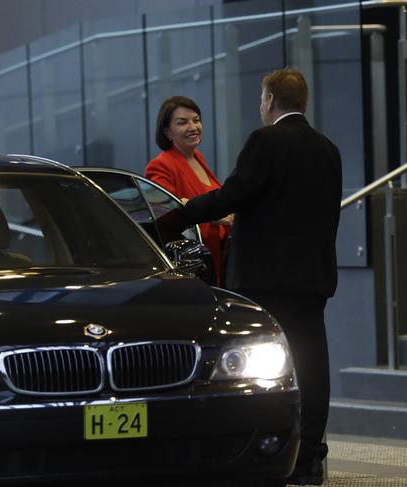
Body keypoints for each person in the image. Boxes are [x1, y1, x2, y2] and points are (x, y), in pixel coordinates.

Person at [164, 68, 342, 485]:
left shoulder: (265, 141)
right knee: (313, 366)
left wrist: (180, 215)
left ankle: (267, 452)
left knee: (261, 370)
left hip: (265, 279)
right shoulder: (327, 148)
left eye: (262, 99)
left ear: (270, 100)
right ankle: (311, 459)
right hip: (313, 277)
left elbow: (234, 196)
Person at [145, 96, 231, 286]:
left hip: (218, 256)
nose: (193, 127)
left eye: (196, 120)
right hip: (192, 264)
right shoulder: (160, 165)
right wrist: (212, 214)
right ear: (167, 131)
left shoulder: (198, 157)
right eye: (183, 122)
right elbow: (165, 212)